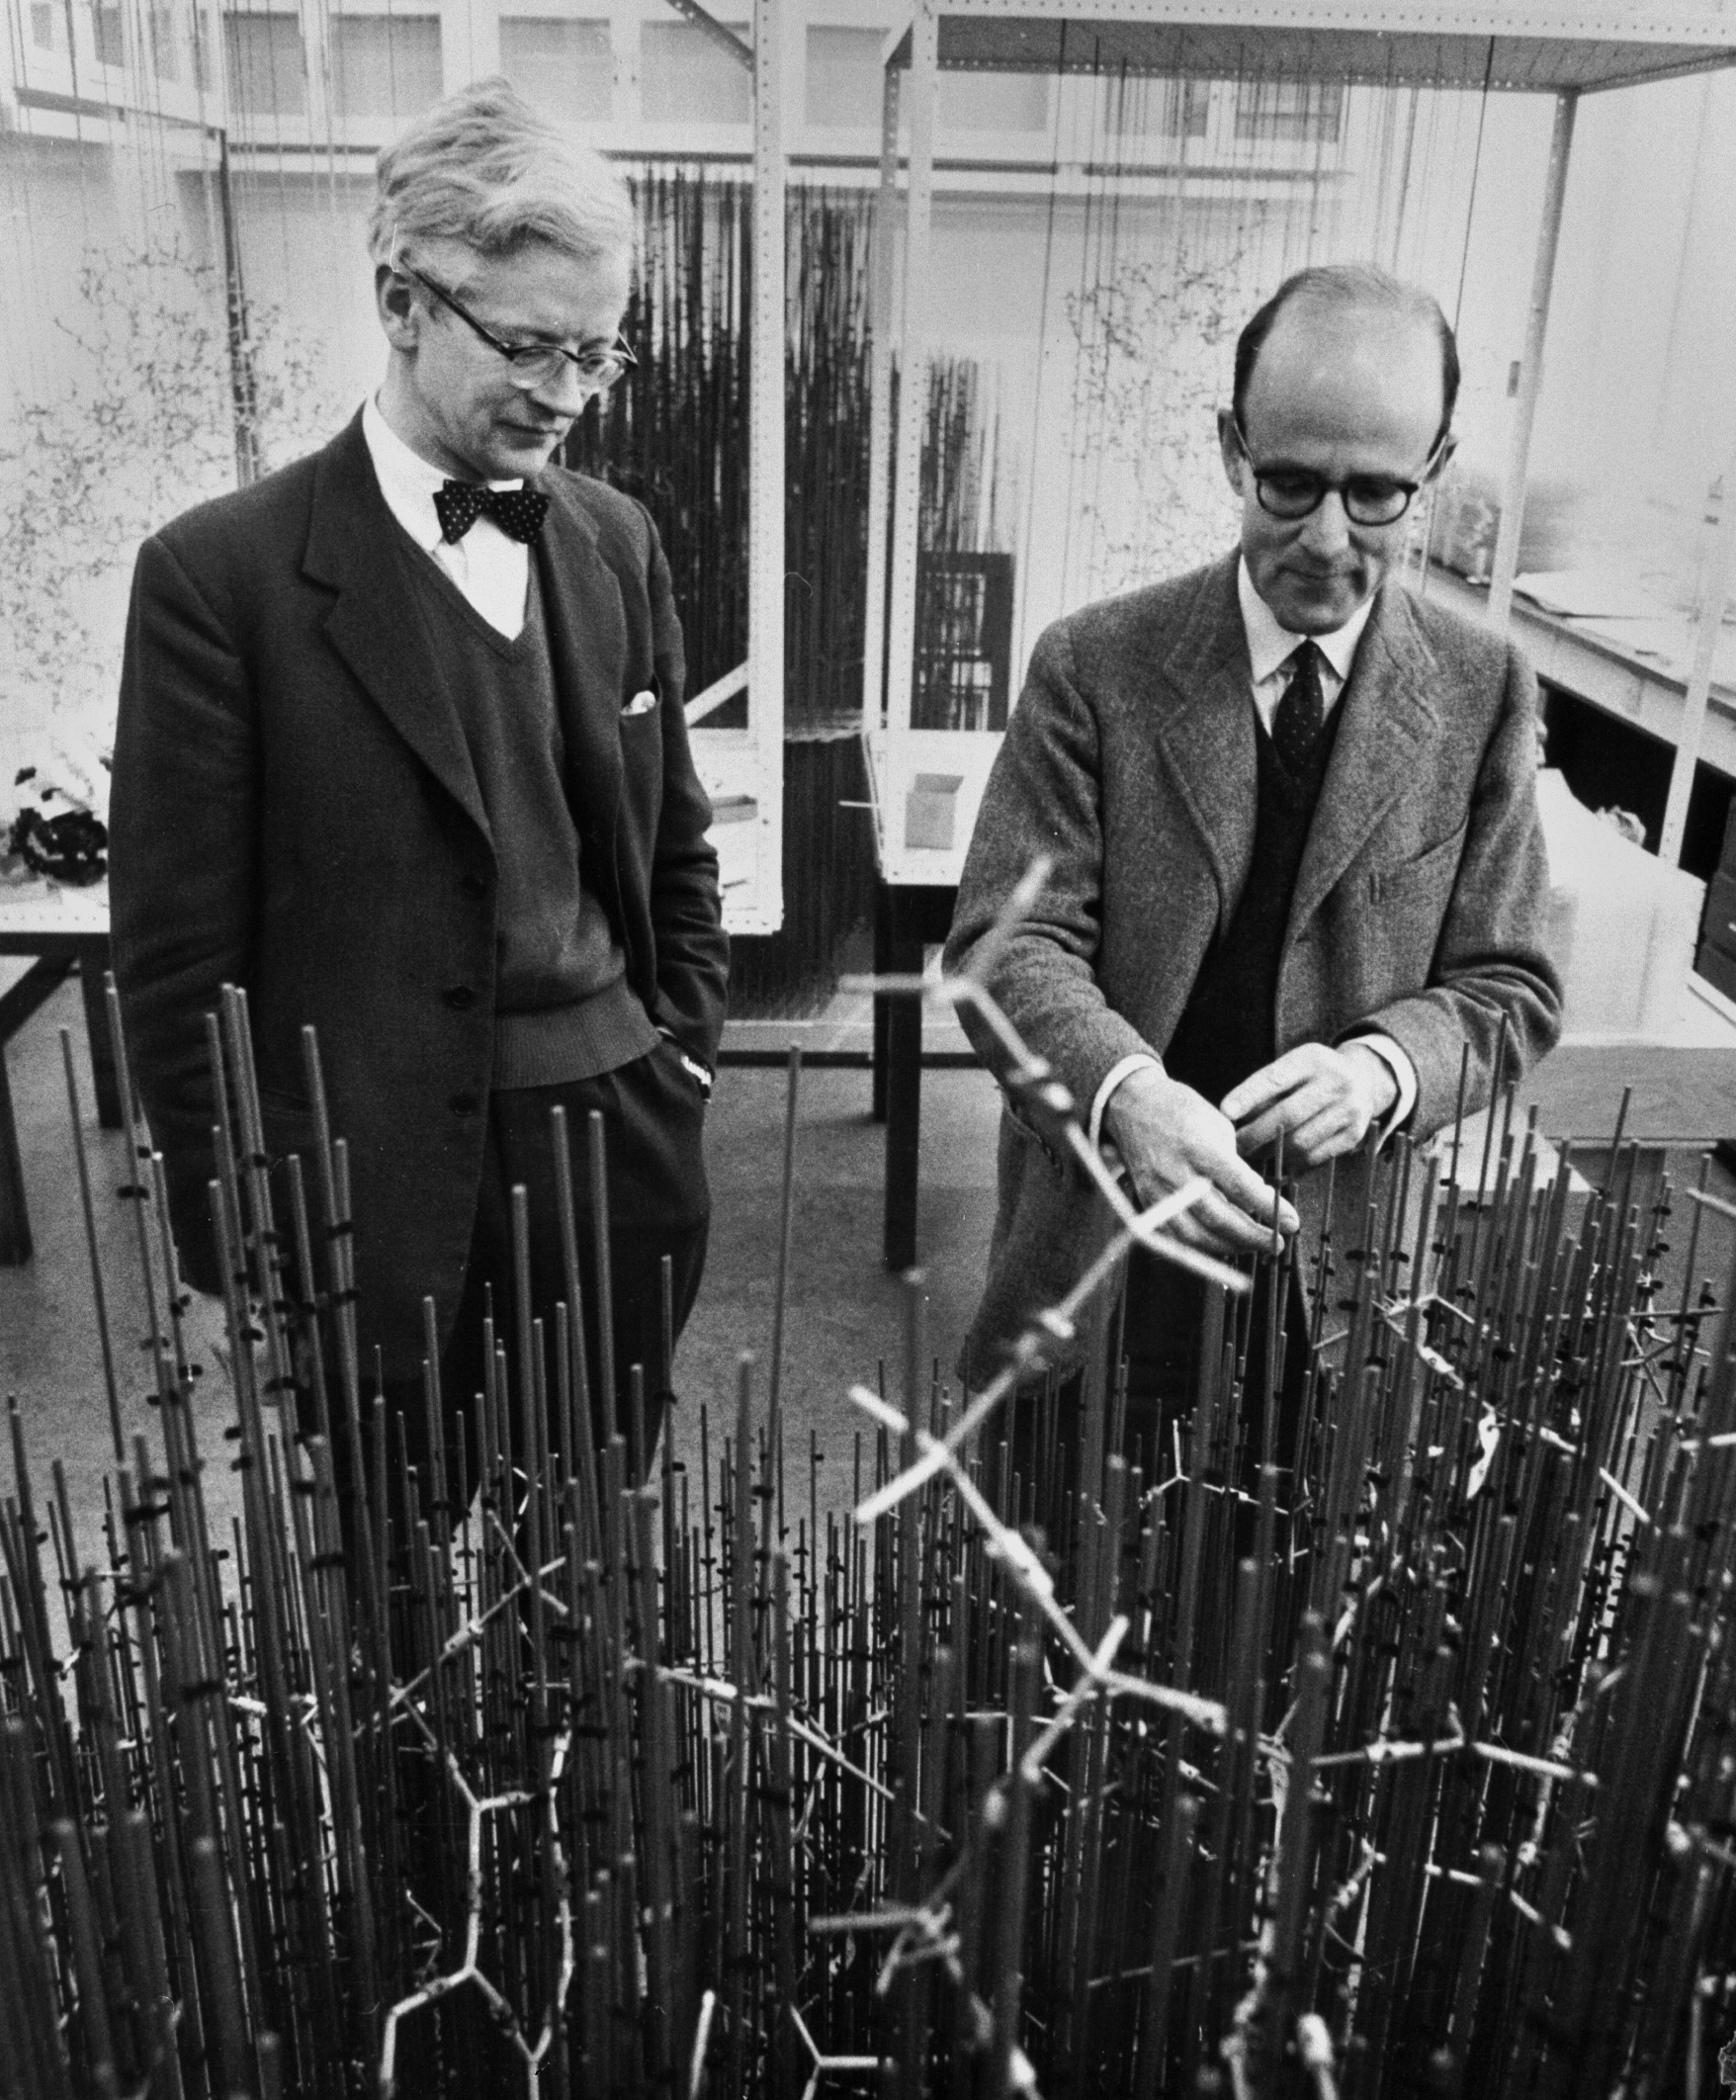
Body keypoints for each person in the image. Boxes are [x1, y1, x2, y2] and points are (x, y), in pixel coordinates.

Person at [110, 80, 728, 1497]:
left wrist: (678, 1060)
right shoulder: (220, 580)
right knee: (387, 1621)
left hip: (617, 1153)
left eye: (598, 353)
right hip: (365, 1190)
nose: (567, 394)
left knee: (592, 1585)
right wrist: (229, 1254)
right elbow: (177, 966)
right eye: (526, 345)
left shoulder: (615, 539)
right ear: (402, 302)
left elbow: (673, 842)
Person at [943, 263, 1561, 1458]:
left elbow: (1511, 988)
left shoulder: (1484, 692)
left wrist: (1384, 1070)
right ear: (1231, 449)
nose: (1326, 540)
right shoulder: (1096, 667)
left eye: (1375, 495)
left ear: (1433, 470)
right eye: (1289, 484)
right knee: (1056, 1589)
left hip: (1342, 1280)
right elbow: (1007, 943)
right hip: (1106, 1251)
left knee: (1299, 1617)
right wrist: (1127, 1095)